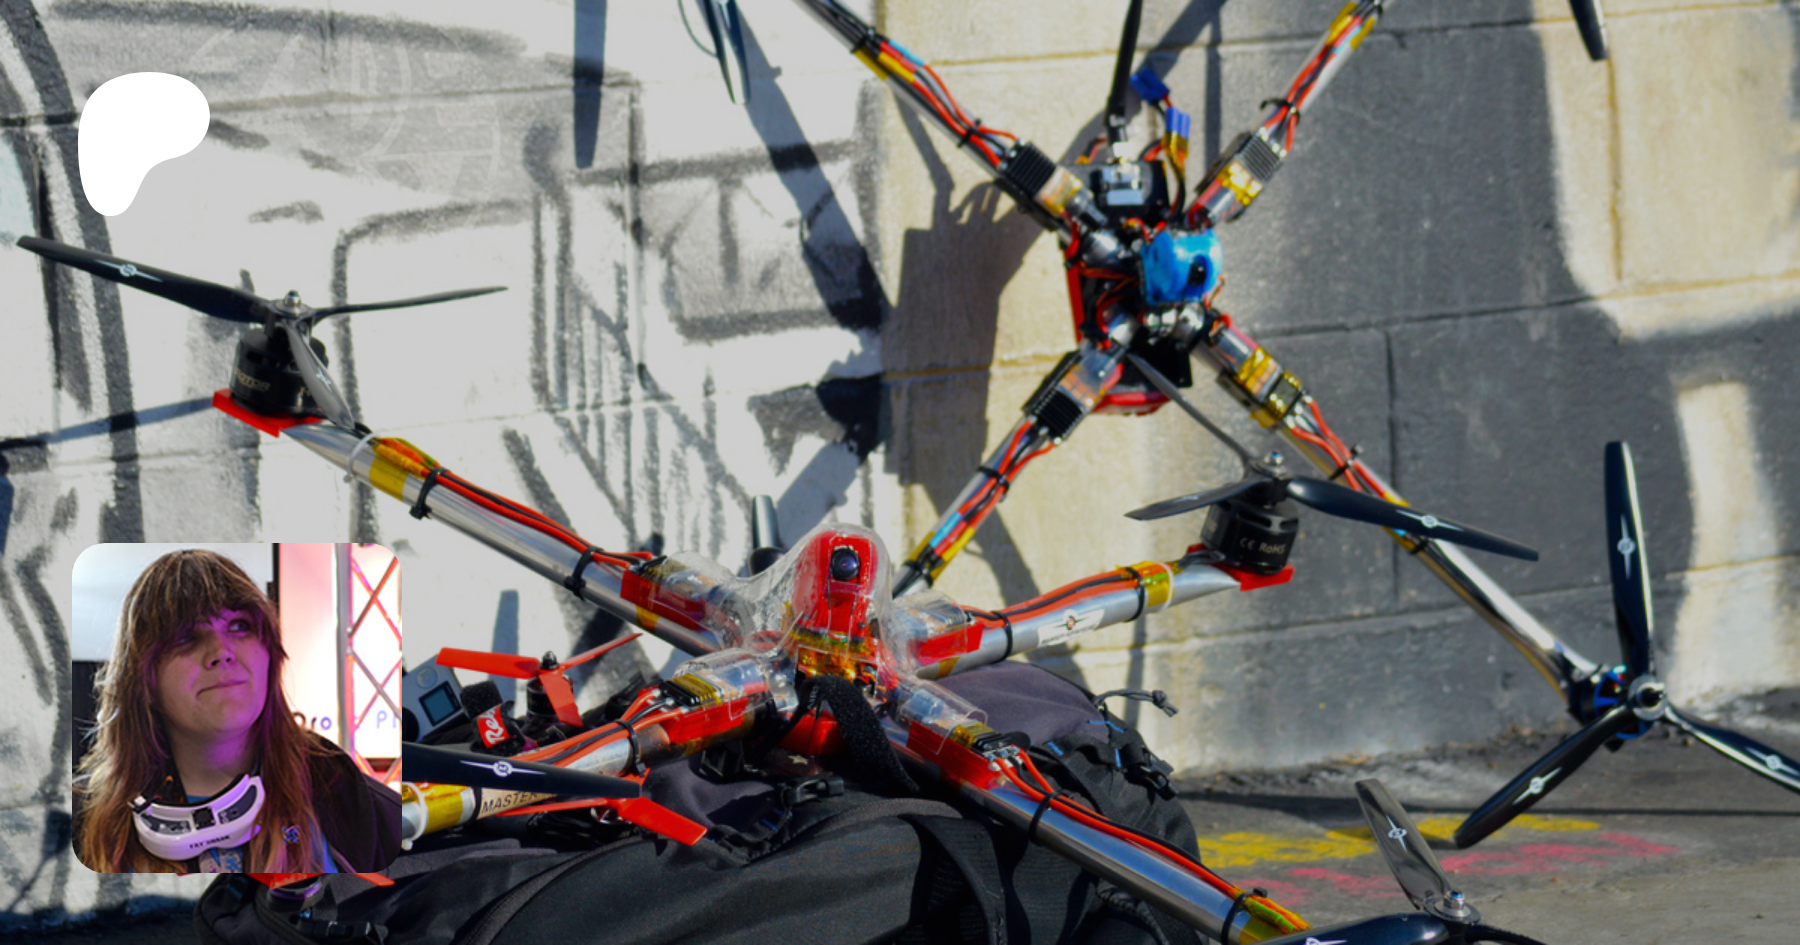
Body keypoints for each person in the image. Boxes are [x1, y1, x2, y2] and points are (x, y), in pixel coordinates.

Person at [73, 549, 400, 873]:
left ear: (270, 654)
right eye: (186, 637)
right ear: (143, 679)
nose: (221, 652)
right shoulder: (82, 820)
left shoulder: (343, 792)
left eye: (240, 625)